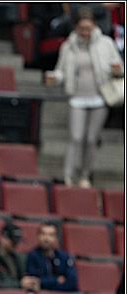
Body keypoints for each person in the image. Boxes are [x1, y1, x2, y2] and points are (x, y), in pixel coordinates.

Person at [45, 8, 124, 187]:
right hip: (77, 97)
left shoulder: (106, 43)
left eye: (88, 28)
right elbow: (61, 71)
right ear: (76, 28)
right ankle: (66, 176)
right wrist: (55, 78)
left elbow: (121, 68)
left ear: (94, 26)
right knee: (75, 137)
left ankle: (85, 175)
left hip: (100, 97)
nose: (85, 32)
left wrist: (116, 69)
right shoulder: (68, 46)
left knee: (90, 139)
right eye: (82, 28)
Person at [0, 223, 40, 291]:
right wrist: (19, 284)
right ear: (3, 238)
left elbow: (21, 277)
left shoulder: (16, 257)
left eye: (17, 242)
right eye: (13, 242)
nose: (15, 245)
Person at [26, 222, 79, 292]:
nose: (46, 238)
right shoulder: (32, 255)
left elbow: (72, 282)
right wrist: (56, 280)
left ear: (56, 239)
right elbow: (34, 281)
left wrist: (48, 287)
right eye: (43, 234)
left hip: (65, 293)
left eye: (51, 235)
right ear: (38, 236)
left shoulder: (64, 256)